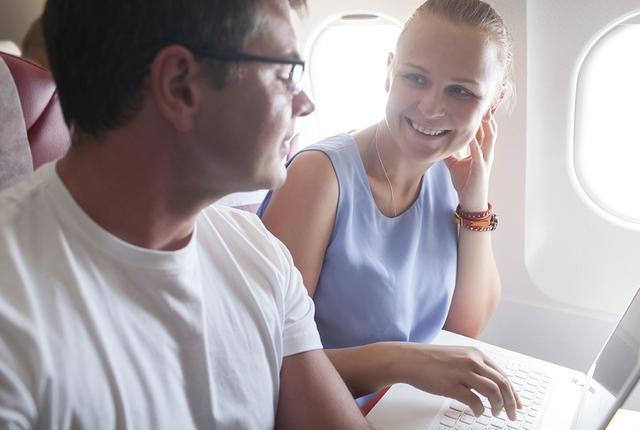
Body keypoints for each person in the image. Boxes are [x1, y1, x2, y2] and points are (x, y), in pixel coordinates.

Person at [0, 0, 371, 428]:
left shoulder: (258, 253)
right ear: (180, 86)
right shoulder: (15, 308)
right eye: (285, 73)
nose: (304, 102)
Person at [259, 0, 522, 420]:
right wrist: (402, 363)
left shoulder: (449, 175)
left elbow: (464, 326)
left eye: (461, 90)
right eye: (415, 78)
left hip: (403, 409)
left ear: (493, 103)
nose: (431, 107)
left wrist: (475, 202)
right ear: (388, 71)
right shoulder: (319, 178)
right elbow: (265, 359)